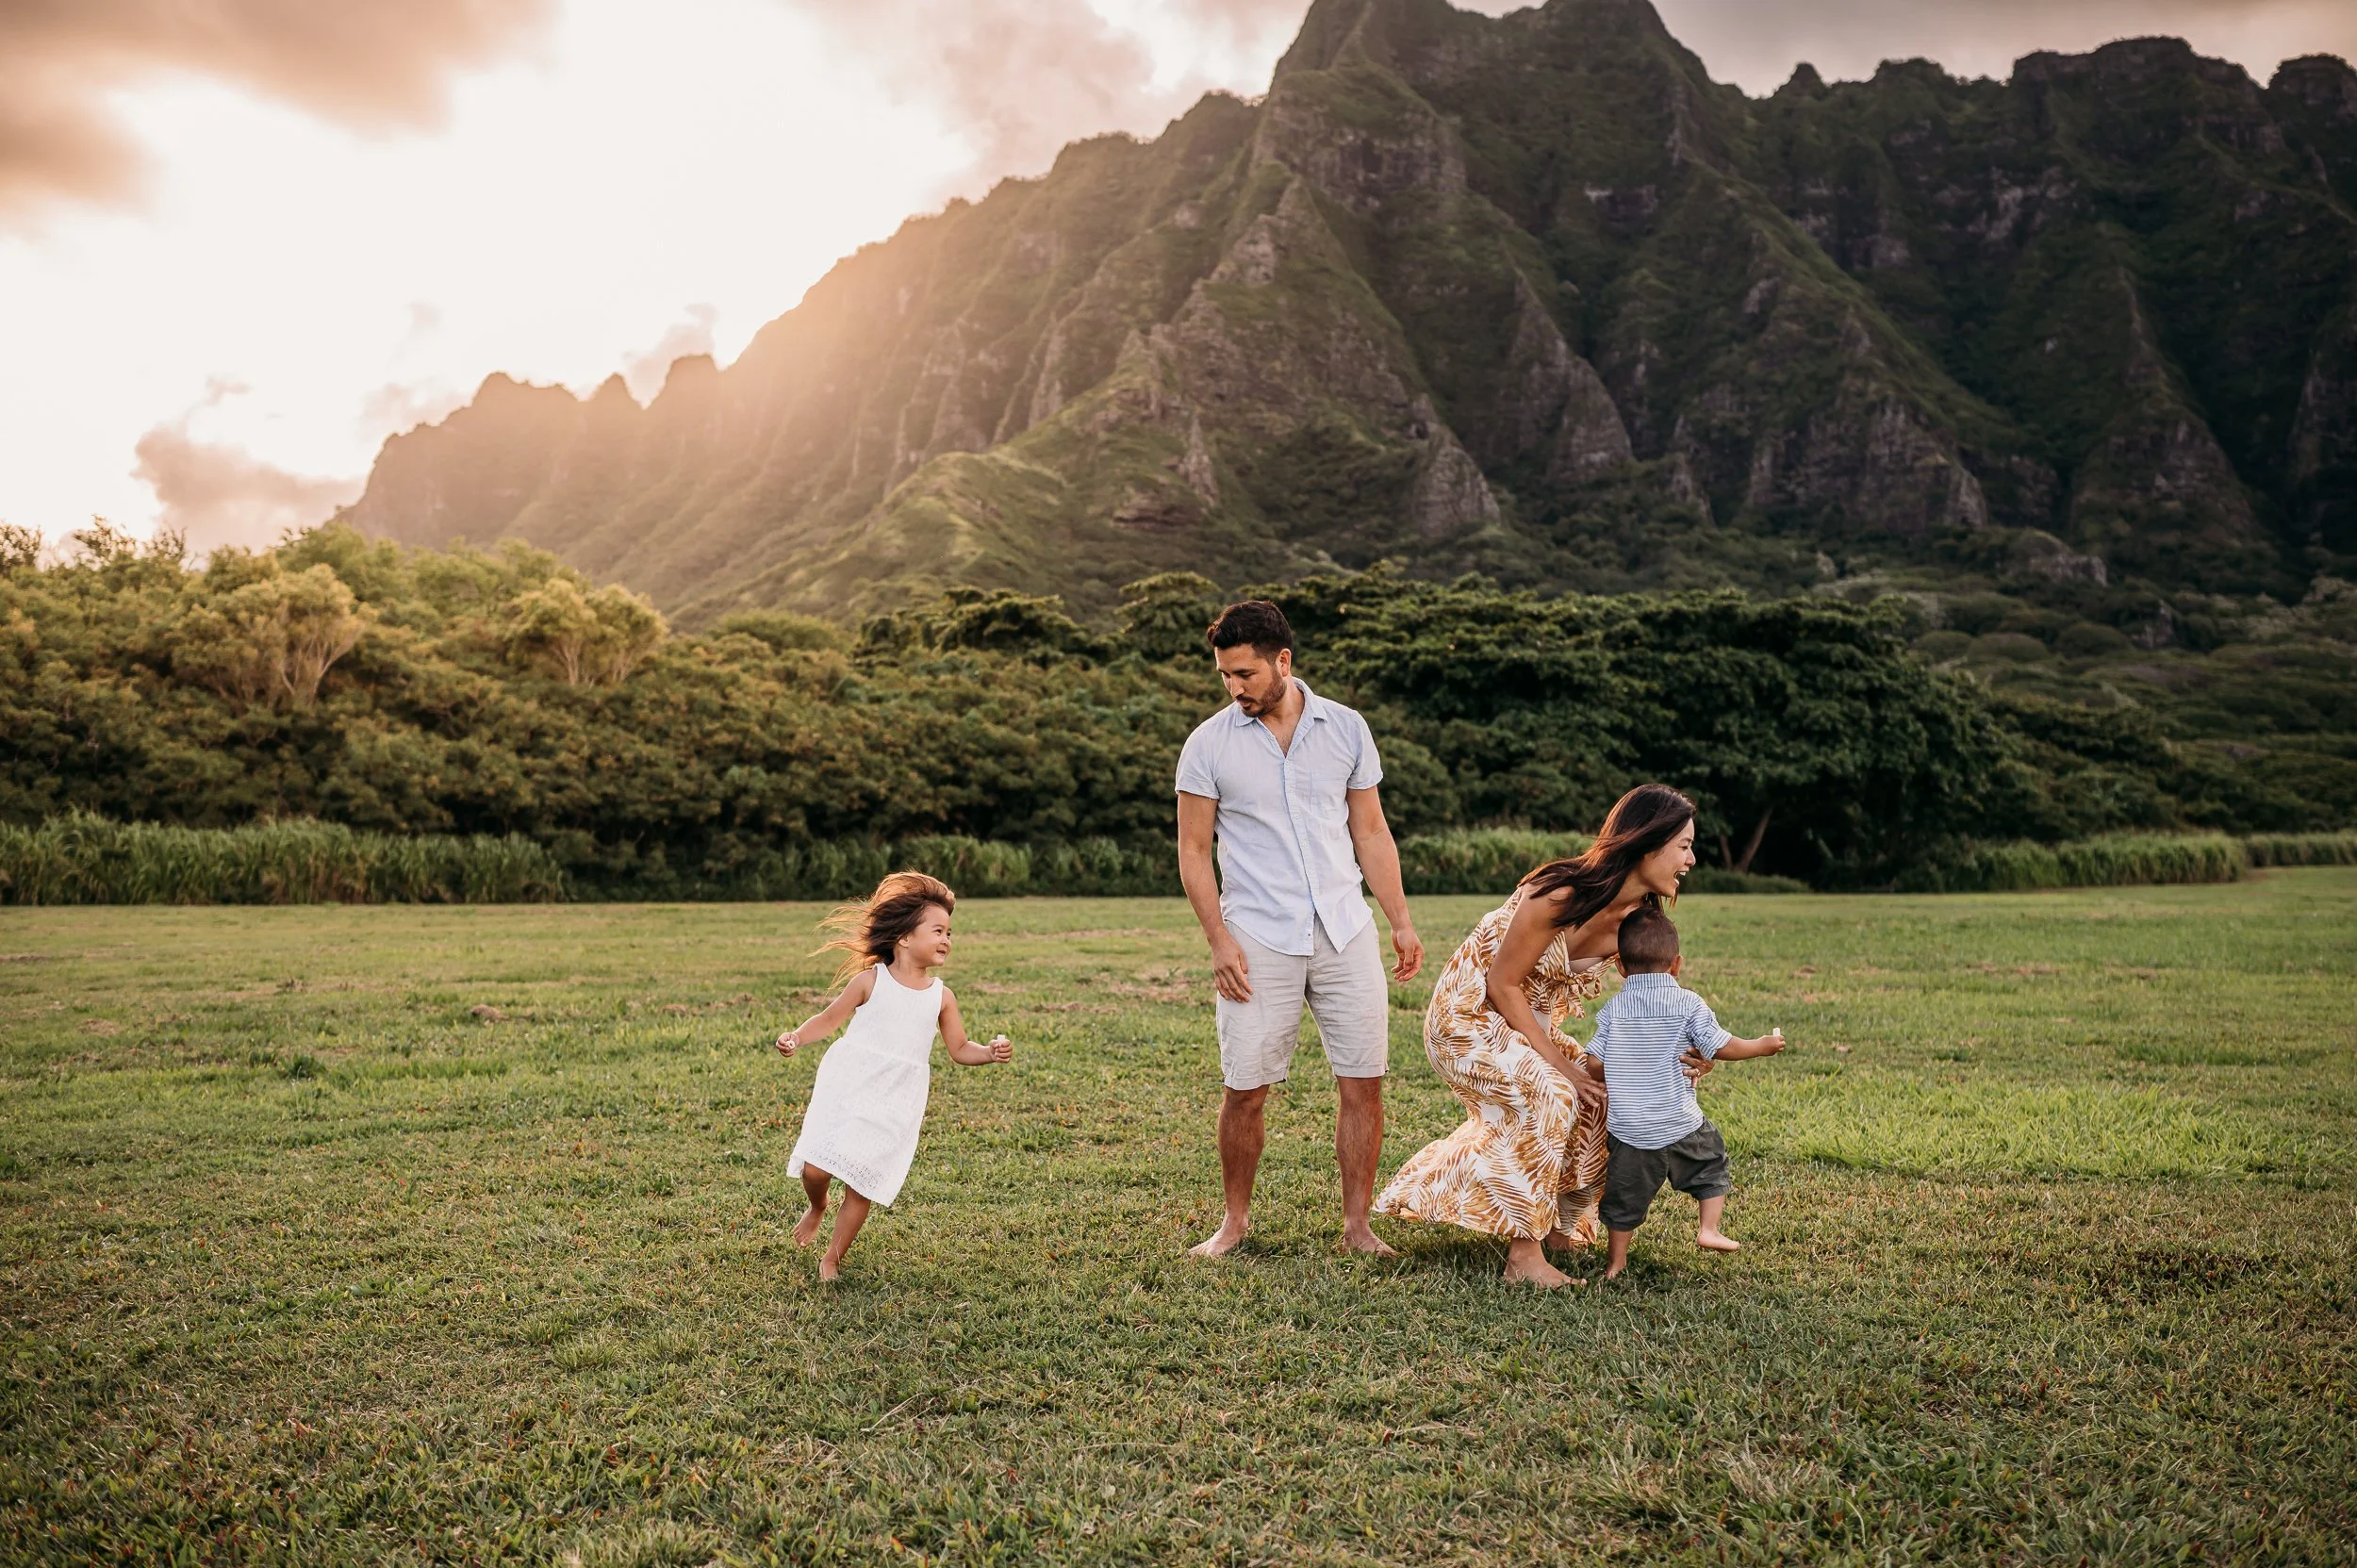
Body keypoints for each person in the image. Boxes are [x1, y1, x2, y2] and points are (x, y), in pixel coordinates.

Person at [1375, 784, 1715, 1287]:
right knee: (1553, 1092)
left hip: (1529, 1026)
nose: (1691, 858)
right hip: (1468, 1016)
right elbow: (1502, 984)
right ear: (1647, 843)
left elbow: (1655, 1003)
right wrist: (1563, 1067)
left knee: (1604, 1093)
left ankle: (1558, 1225)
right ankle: (1523, 1257)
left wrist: (1690, 1049)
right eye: (1683, 845)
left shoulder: (1640, 920)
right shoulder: (1559, 893)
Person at [1176, 600, 1425, 1258]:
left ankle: (1357, 1226)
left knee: (1363, 1080)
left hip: (1345, 928)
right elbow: (1194, 853)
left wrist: (1399, 921)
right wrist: (1219, 942)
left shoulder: (1346, 729)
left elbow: (1370, 831)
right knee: (1246, 1087)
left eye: (1246, 673)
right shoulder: (1208, 744)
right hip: (1256, 937)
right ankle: (1234, 1222)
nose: (1235, 687)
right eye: (1225, 675)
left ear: (1284, 661)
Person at [773, 872, 1014, 1280]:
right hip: (849, 1083)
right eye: (937, 930)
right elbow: (829, 1020)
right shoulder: (870, 981)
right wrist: (796, 1036)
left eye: (950, 932)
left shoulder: (942, 996)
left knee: (862, 1182)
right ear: (904, 937)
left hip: (897, 1096)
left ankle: (831, 1257)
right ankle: (817, 1205)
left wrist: (988, 1053)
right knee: (816, 1169)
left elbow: (958, 1048)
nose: (947, 940)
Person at [1578, 905, 1784, 1279]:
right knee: (1711, 1164)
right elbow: (1721, 1046)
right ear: (1676, 965)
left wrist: (1623, 1068)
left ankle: (1616, 1263)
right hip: (1680, 1123)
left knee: (1623, 1199)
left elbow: (1593, 1064)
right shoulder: (1688, 1003)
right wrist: (1762, 1045)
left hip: (1630, 1131)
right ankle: (1709, 1230)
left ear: (1621, 968)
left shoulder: (1613, 1009)